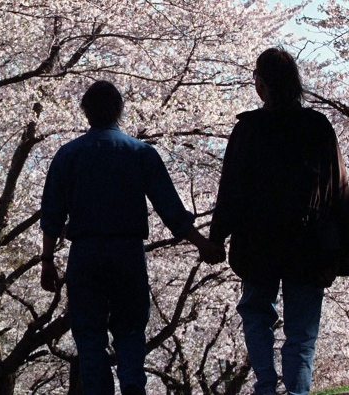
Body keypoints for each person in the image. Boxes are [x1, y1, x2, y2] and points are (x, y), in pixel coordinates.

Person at [39, 79, 224, 395]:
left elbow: (52, 214)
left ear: (86, 113)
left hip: (85, 253)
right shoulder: (140, 152)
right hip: (127, 252)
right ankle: (133, 388)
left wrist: (47, 260)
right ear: (119, 112)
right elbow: (169, 208)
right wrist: (201, 243)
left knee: (89, 335)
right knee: (130, 331)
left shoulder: (68, 155)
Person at [209, 47, 349, 395]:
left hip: (258, 241)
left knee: (257, 312)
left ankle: (264, 384)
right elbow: (339, 188)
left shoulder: (249, 129)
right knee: (302, 329)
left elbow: (231, 188)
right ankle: (297, 392)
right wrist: (347, 240)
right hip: (309, 241)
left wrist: (217, 236)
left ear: (261, 84)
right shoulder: (317, 126)